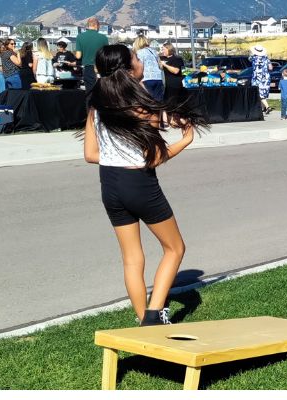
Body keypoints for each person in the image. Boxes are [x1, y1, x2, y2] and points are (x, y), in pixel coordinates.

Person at [80, 44, 209, 326]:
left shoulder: (96, 108)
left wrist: (118, 155)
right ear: (128, 70)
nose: (141, 62)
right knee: (175, 248)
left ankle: (143, 323)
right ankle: (155, 313)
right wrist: (186, 140)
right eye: (136, 58)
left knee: (131, 258)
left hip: (109, 183)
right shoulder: (141, 107)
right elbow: (155, 158)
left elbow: (90, 155)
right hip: (138, 183)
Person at [77, 17, 109, 97]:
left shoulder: (80, 37)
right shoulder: (103, 37)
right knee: (102, 93)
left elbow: (78, 56)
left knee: (90, 93)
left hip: (88, 68)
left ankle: (90, 109)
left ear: (88, 26)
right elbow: (107, 54)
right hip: (101, 68)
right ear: (97, 26)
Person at [133, 36, 164, 102]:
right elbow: (160, 65)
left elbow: (140, 67)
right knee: (159, 102)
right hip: (158, 78)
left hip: (147, 78)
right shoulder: (154, 51)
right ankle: (161, 112)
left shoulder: (139, 52)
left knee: (149, 102)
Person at [248, 45, 272, 114]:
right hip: (266, 78)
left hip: (257, 78)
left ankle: (267, 107)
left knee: (259, 93)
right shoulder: (266, 58)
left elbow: (249, 58)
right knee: (263, 93)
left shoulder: (253, 58)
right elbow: (270, 68)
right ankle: (263, 108)